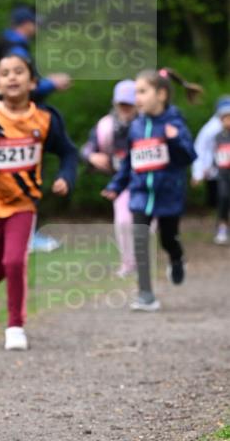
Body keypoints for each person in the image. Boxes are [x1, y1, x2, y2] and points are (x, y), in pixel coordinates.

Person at [0, 50, 77, 350]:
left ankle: (15, 326)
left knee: (14, 261)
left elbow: (68, 152)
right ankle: (4, 281)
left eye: (19, 71)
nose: (12, 77)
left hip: (23, 205)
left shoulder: (45, 119)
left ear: (33, 82)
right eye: (5, 73)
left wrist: (66, 176)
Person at [102, 68, 201, 312]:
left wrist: (175, 139)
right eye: (136, 92)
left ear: (161, 95)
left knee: (168, 238)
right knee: (140, 240)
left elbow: (189, 156)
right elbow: (129, 162)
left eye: (143, 91)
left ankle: (176, 257)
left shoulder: (174, 123)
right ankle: (145, 294)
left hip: (168, 193)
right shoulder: (135, 127)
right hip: (139, 193)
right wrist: (116, 185)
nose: (137, 97)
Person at [0, 5, 73, 253]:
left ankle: (17, 233)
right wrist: (52, 83)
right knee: (28, 175)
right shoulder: (17, 50)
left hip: (9, 119)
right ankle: (26, 235)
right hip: (23, 121)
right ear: (26, 24)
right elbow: (27, 88)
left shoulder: (9, 45)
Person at [82, 79, 138, 277]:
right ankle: (128, 263)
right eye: (122, 104)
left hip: (148, 182)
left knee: (146, 225)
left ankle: (142, 259)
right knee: (123, 222)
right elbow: (87, 148)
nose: (125, 108)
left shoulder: (147, 124)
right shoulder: (105, 126)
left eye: (129, 104)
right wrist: (92, 156)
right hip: (121, 182)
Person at [191, 95, 230, 244]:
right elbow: (203, 150)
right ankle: (222, 228)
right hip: (221, 174)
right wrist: (199, 172)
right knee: (223, 199)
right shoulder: (212, 131)